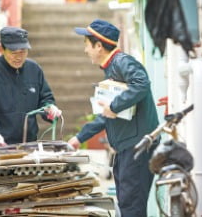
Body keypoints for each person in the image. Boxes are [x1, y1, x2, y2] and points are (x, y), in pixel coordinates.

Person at [68, 19, 159, 217]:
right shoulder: (112, 68)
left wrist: (114, 105)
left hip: (137, 146)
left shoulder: (122, 62)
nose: (85, 50)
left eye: (86, 45)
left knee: (131, 206)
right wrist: (79, 138)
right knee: (127, 204)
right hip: (128, 147)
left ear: (99, 46)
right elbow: (106, 115)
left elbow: (142, 84)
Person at [0, 26, 62, 151]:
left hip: (29, 146)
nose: (19, 57)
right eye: (13, 52)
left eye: (23, 52)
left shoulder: (34, 70)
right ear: (1, 49)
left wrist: (50, 109)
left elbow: (45, 99)